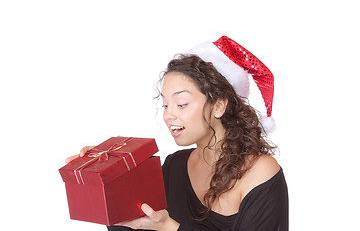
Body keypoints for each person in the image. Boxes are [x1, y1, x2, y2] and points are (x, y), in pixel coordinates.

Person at [66, 36, 288, 230]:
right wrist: (101, 177)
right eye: (165, 105)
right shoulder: (173, 168)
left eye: (181, 104)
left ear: (219, 106)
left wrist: (169, 227)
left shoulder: (259, 172)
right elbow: (134, 226)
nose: (168, 115)